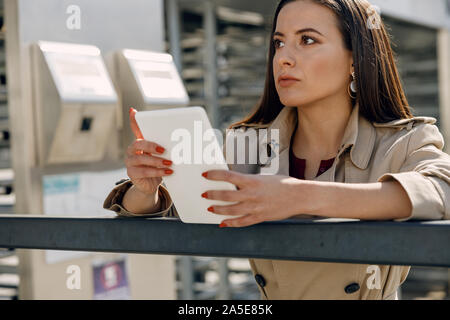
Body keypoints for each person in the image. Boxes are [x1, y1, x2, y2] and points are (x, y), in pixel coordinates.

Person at [103, 0, 450, 299]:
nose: (284, 57)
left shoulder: (405, 140)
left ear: (355, 60)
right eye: (279, 43)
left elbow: (442, 190)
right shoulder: (246, 144)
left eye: (308, 40)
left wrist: (301, 196)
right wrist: (146, 187)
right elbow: (176, 211)